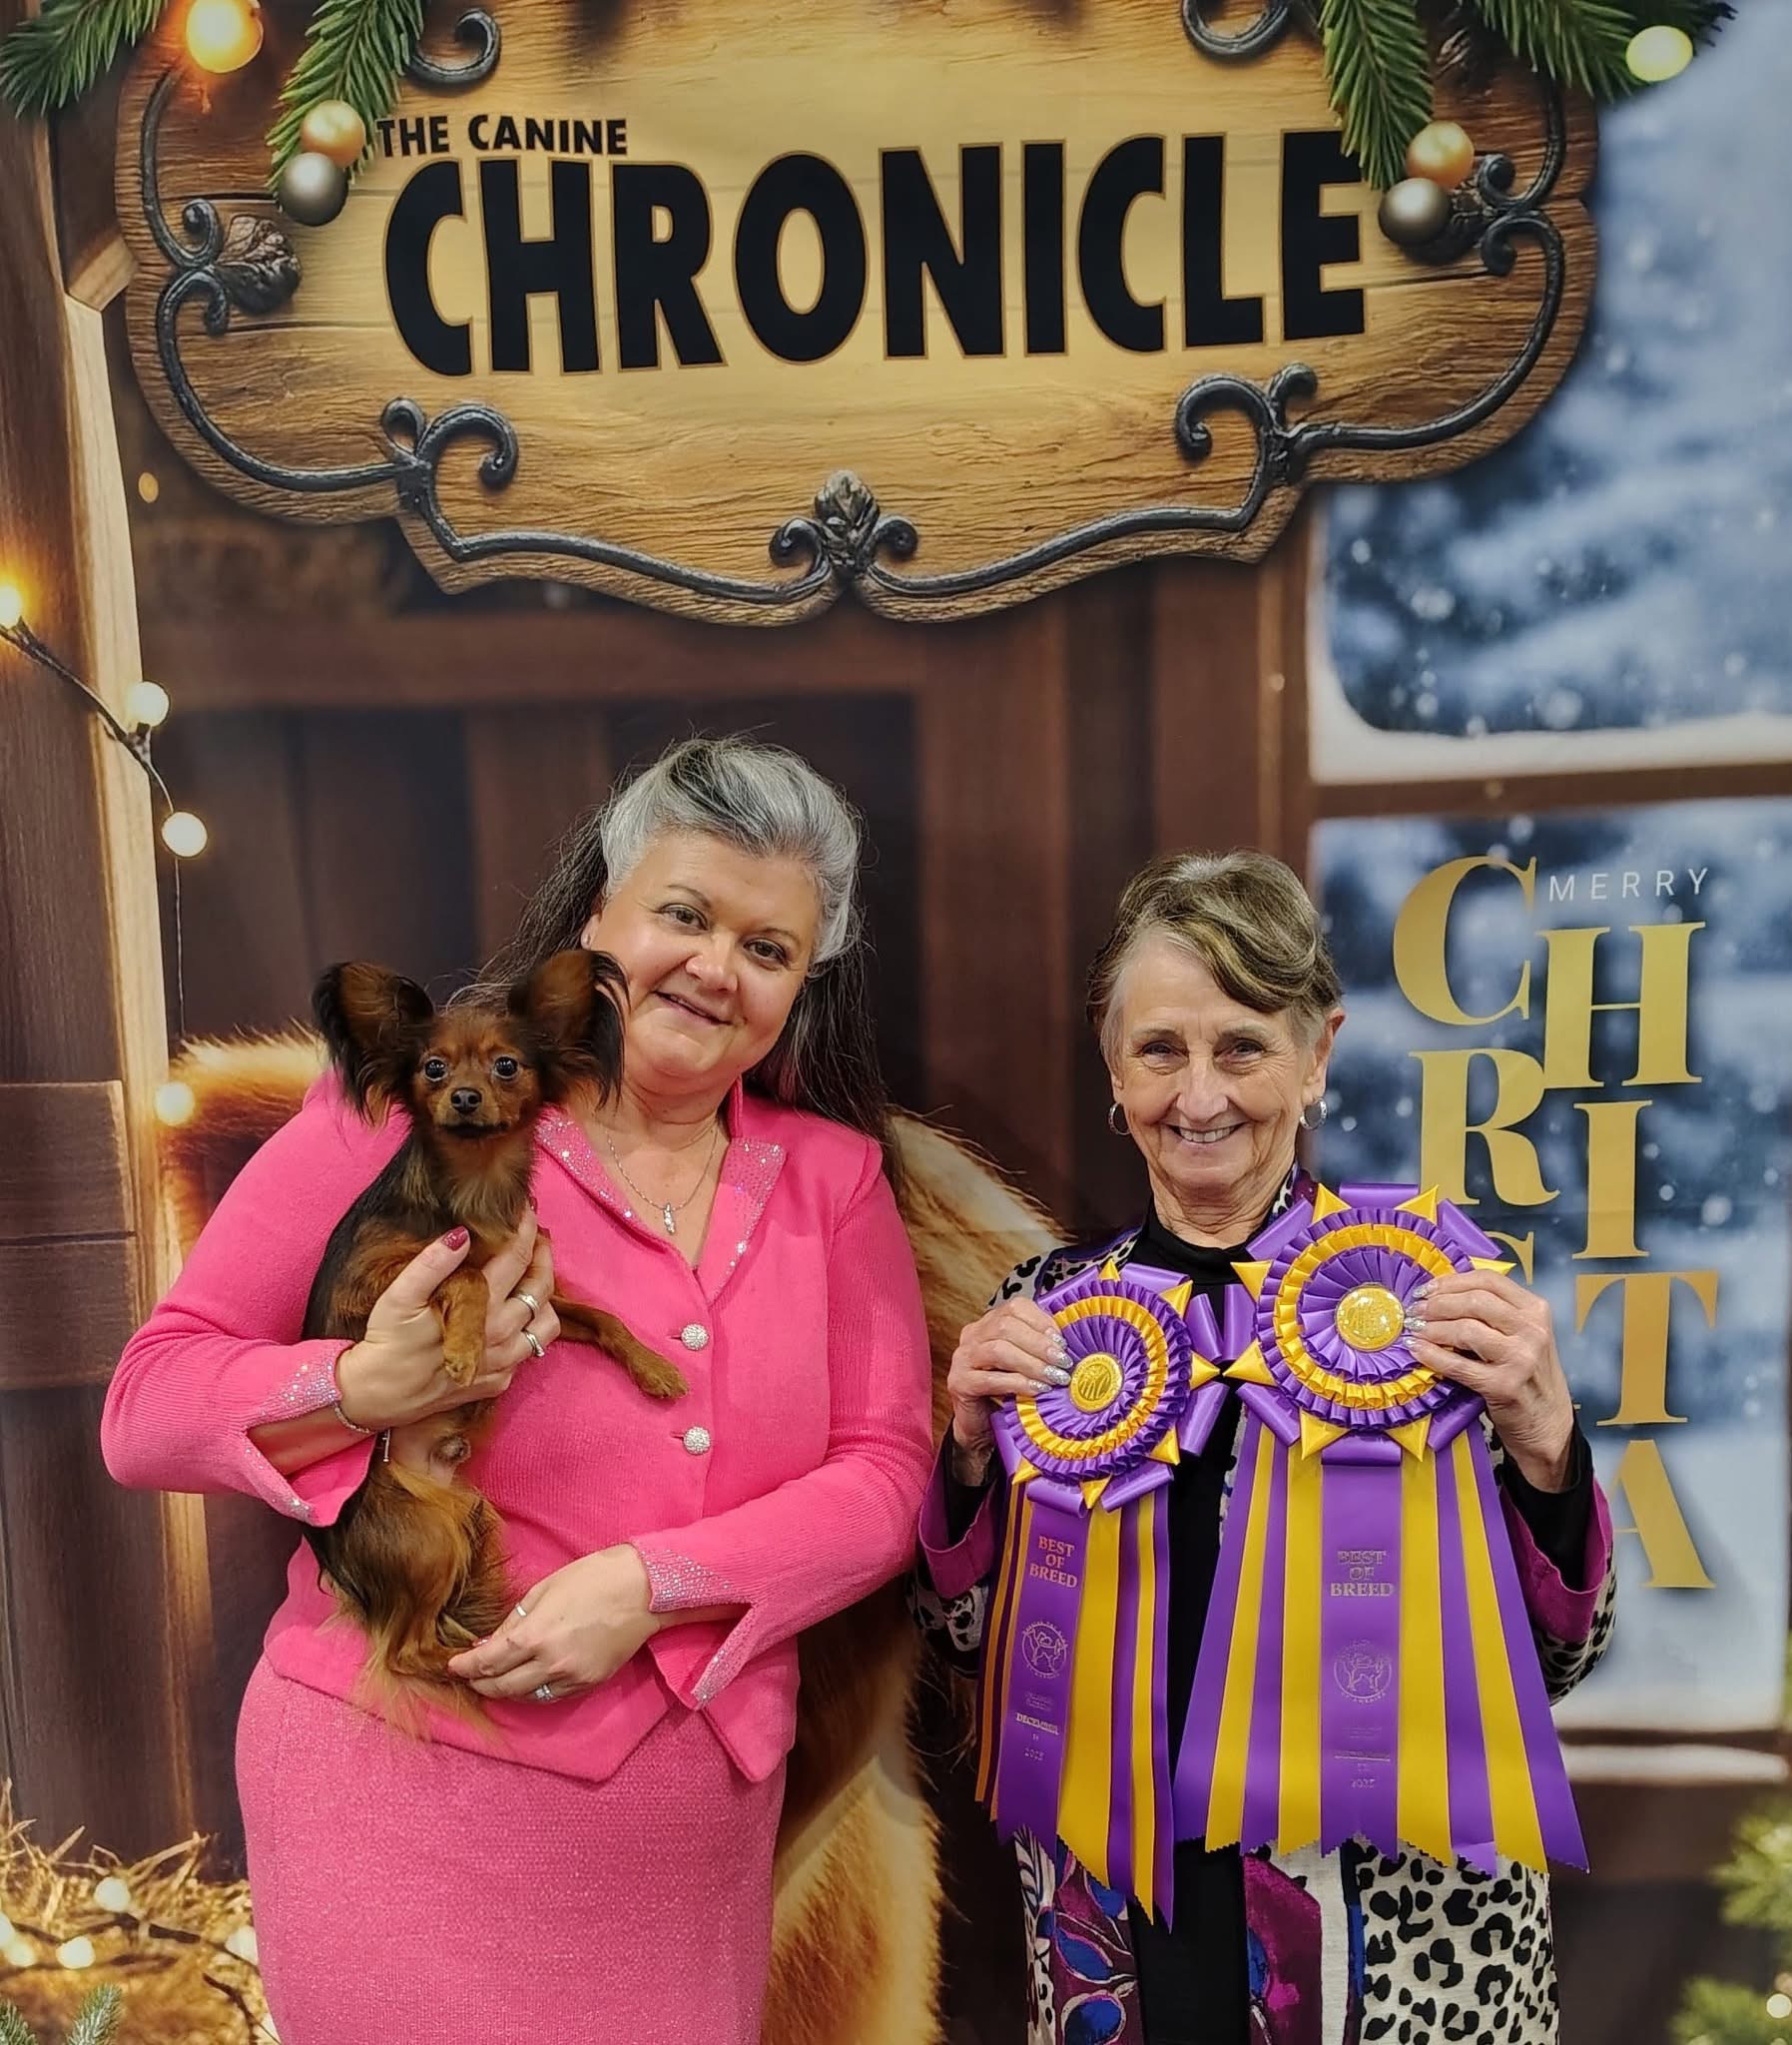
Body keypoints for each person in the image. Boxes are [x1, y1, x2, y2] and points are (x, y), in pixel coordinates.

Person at [103, 736, 934, 2045]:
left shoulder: (834, 1179)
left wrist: (650, 1582)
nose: (716, 967)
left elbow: (884, 1478)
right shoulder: (409, 1107)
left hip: (686, 1847)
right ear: (598, 913)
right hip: (396, 1793)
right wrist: (361, 1384)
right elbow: (150, 1403)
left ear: (802, 983)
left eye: (767, 947)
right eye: (683, 914)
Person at [912, 850, 1614, 2045]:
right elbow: (963, 1637)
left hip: (1397, 1956)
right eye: (1159, 1049)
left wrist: (1549, 1450)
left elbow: (1562, 1656)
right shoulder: (1045, 1310)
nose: (1199, 1094)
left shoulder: (1432, 1295)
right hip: (1118, 1935)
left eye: (1241, 1046)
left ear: (1317, 1053)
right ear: (1112, 1066)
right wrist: (969, 1456)